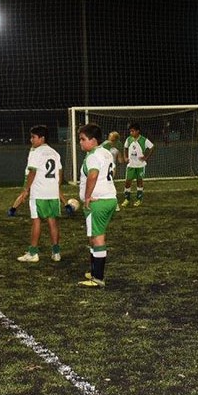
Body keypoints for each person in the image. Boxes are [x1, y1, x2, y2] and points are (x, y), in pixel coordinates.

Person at [16, 125, 68, 263]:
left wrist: (26, 190)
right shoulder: (54, 153)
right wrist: (55, 187)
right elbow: (60, 173)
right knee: (52, 221)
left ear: (42, 138)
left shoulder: (36, 152)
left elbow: (32, 172)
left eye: (33, 137)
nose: (31, 140)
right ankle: (56, 253)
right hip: (52, 193)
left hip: (39, 193)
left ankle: (33, 253)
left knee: (36, 221)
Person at [77, 123, 117, 288]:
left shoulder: (93, 156)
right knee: (94, 236)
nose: (80, 142)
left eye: (83, 139)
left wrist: (87, 197)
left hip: (98, 202)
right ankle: (94, 271)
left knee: (98, 238)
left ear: (93, 140)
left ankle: (98, 278)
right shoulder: (106, 153)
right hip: (110, 199)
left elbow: (93, 175)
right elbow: (112, 172)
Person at [121, 123, 155, 207]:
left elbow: (152, 147)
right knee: (127, 182)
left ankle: (139, 199)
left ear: (137, 131)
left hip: (140, 165)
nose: (131, 133)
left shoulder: (144, 140)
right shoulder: (129, 139)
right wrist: (125, 157)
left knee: (139, 182)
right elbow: (125, 148)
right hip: (131, 165)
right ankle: (127, 199)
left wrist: (146, 157)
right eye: (130, 131)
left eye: (132, 131)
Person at [100, 131, 125, 211]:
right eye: (109, 137)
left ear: (116, 139)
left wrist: (126, 159)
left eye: (111, 137)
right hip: (103, 167)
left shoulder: (119, 145)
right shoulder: (104, 145)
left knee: (109, 185)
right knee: (105, 185)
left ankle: (114, 204)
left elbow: (120, 159)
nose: (109, 139)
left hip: (111, 168)